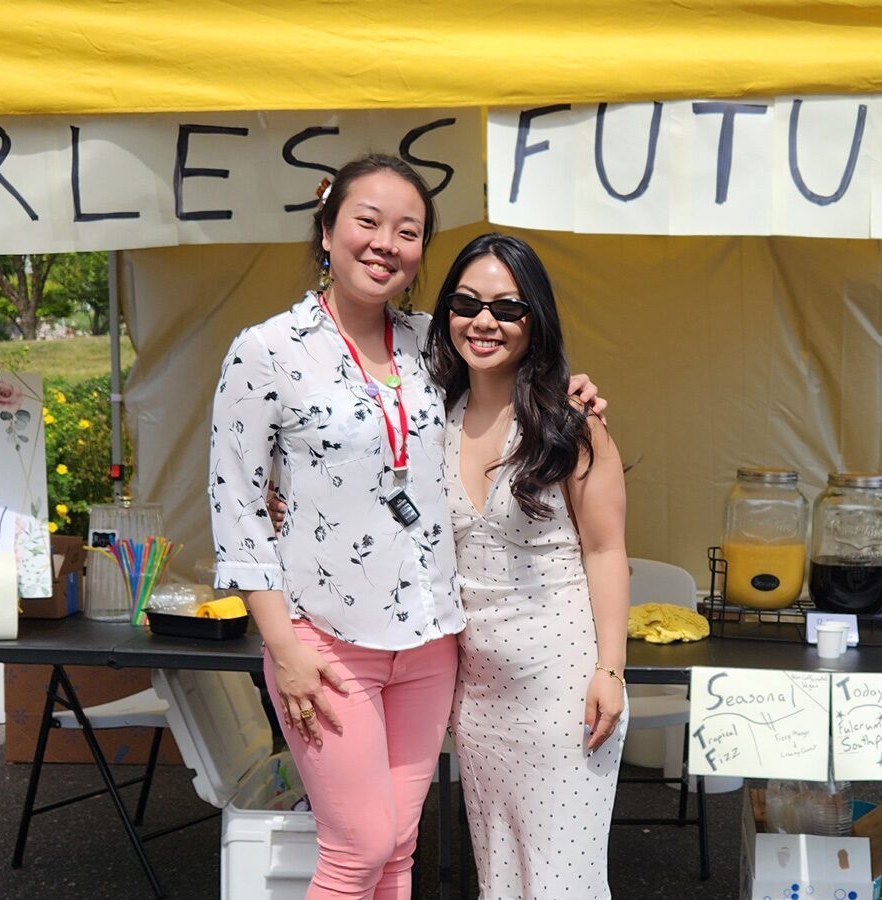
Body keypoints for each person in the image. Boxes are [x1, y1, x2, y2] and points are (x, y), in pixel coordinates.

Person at [209, 155, 601, 900]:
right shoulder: (266, 351)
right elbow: (235, 510)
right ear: (327, 232)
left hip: (430, 643)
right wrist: (282, 647)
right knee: (356, 849)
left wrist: (577, 390)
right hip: (325, 644)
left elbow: (516, 371)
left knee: (398, 849)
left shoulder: (435, 344)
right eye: (367, 222)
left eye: (408, 230)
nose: (386, 242)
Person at [425, 233, 630, 899]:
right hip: (478, 695)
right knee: (503, 877)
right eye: (467, 303)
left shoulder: (568, 422)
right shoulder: (434, 415)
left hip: (562, 686)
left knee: (561, 880)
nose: (485, 321)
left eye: (508, 309)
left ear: (535, 319)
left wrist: (610, 669)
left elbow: (606, 550)